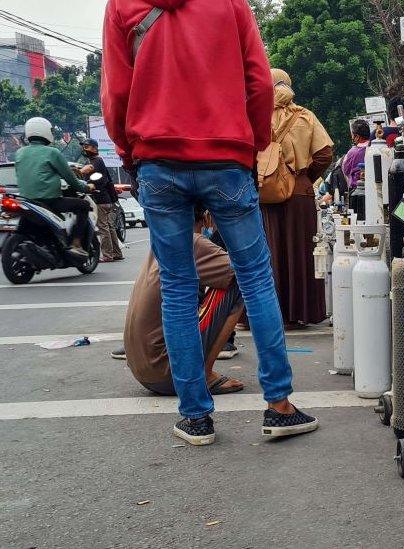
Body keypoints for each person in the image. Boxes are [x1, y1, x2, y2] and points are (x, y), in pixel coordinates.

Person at [102, 0, 318, 445]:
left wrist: (131, 154)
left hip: (157, 159)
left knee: (178, 288)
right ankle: (279, 406)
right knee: (256, 279)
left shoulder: (122, 4)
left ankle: (195, 417)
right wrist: (255, 145)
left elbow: (115, 92)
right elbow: (259, 81)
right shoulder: (231, 3)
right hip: (226, 158)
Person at [117, 208, 246, 397]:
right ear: (207, 217)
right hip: (173, 374)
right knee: (241, 283)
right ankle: (206, 375)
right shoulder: (193, 241)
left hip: (144, 373)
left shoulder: (162, 241)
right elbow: (244, 270)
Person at [261, 68, 334, 328]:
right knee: (302, 253)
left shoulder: (256, 114)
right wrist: (303, 176)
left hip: (266, 191)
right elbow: (325, 153)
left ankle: (269, 315)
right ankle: (302, 312)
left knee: (268, 253)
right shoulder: (304, 116)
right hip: (300, 193)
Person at [14, 117, 92, 260]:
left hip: (26, 200)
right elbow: (71, 180)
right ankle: (76, 243)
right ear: (45, 131)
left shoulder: (20, 153)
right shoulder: (52, 152)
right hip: (49, 201)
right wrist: (86, 187)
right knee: (84, 205)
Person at [79, 138, 124, 262]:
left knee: (103, 228)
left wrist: (76, 172)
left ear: (95, 148)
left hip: (100, 199)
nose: (84, 149)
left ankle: (107, 255)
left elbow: (86, 170)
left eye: (87, 146)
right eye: (84, 146)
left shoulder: (96, 161)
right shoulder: (97, 161)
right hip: (107, 199)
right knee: (109, 227)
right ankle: (117, 253)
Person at [341, 120, 371, 186]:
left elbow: (346, 170)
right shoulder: (375, 147)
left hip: (358, 188)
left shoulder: (352, 152)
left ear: (357, 137)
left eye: (352, 135)